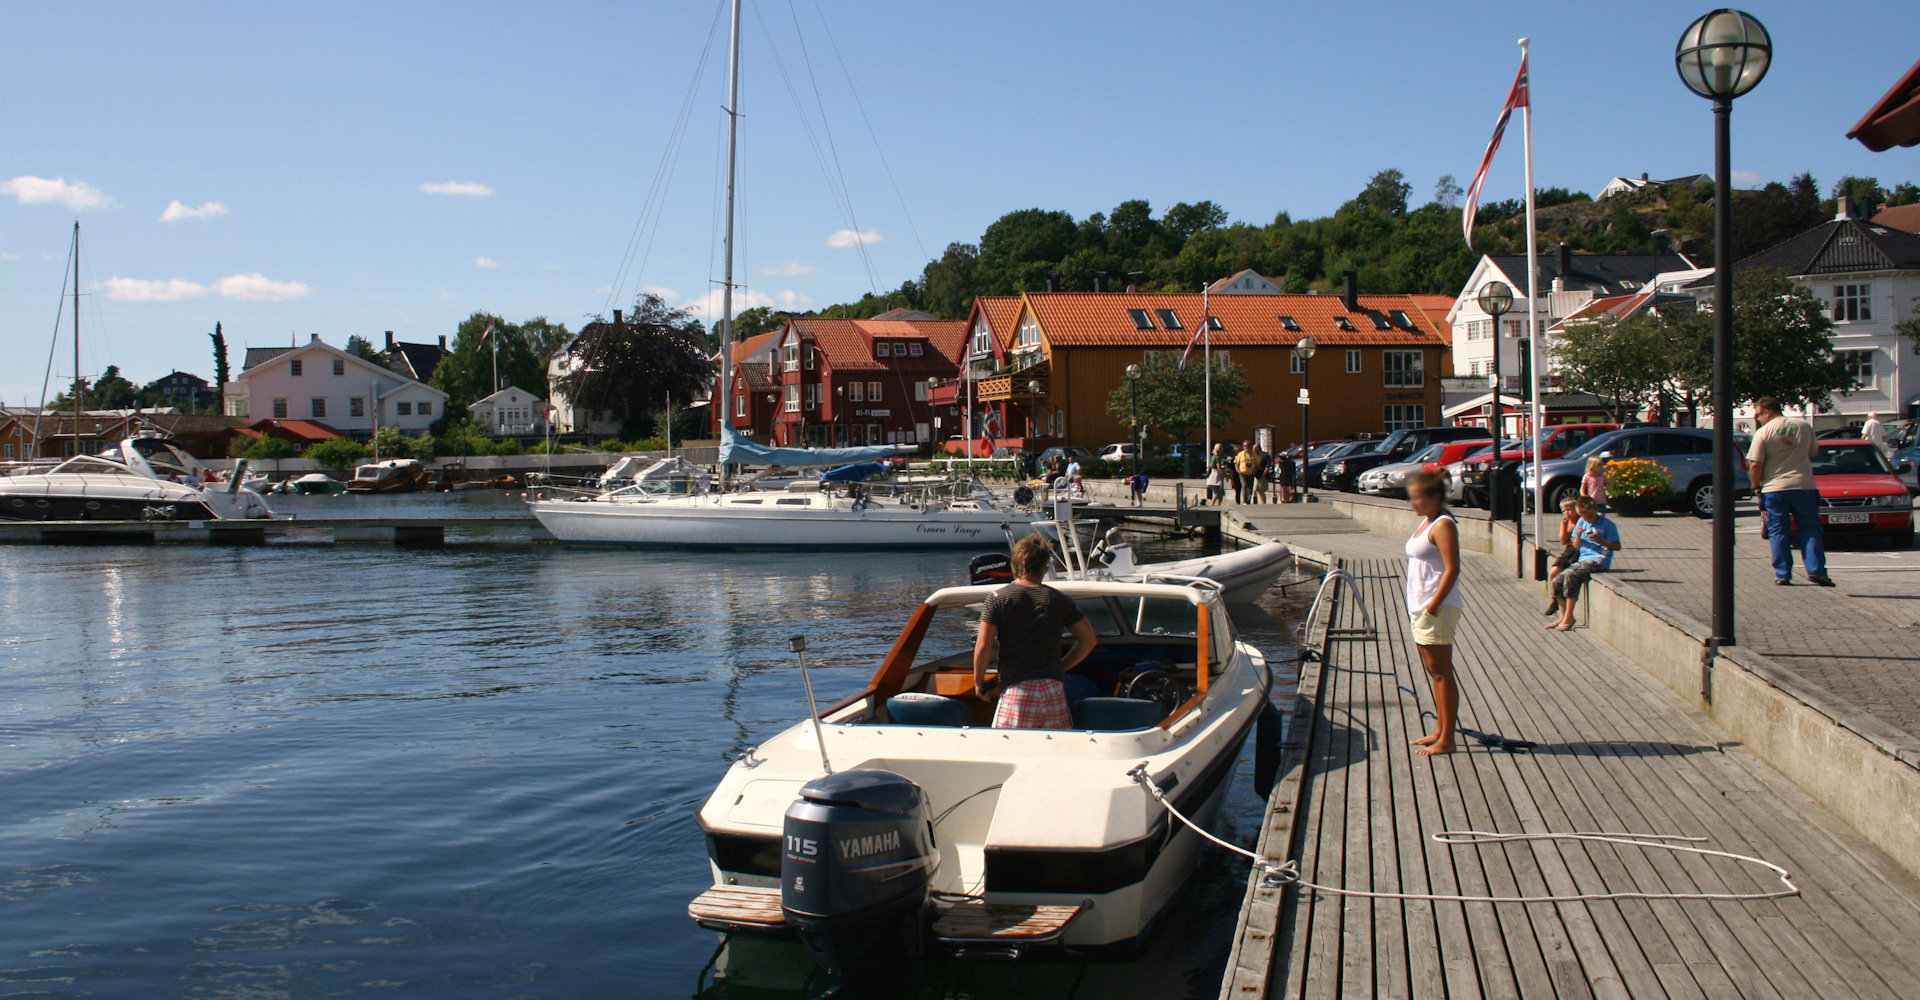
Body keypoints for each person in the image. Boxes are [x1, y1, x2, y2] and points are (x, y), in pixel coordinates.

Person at [973, 533, 1098, 729]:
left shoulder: (998, 598)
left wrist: (979, 682)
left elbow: (983, 646)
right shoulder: (1060, 600)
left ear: (1015, 566)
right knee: (1054, 749)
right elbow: (1088, 640)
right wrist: (1061, 667)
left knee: (1010, 748)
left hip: (1017, 691)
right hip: (1053, 691)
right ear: (1044, 567)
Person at [1405, 471, 1465, 756]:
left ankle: (1448, 740)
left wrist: (1432, 605)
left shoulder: (1443, 525)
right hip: (1421, 607)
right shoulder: (1427, 522)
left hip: (1437, 608)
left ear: (1435, 498)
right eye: (1412, 496)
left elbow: (1452, 568)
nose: (1413, 502)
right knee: (1433, 671)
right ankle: (1439, 730)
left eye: (1418, 497)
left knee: (1442, 673)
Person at [1747, 396, 1830, 587]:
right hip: (1804, 485)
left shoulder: (1763, 432)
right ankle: (1816, 570)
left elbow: (1755, 464)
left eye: (1758, 414)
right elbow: (1814, 451)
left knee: (1778, 530)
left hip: (1775, 488)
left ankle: (1783, 574)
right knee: (1810, 528)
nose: (1757, 418)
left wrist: (1756, 487)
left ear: (1767, 412)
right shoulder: (1803, 425)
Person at [1548, 496, 1621, 630]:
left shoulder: (1607, 524)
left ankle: (1569, 616)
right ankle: (1563, 616)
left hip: (1598, 559)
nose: (1588, 519)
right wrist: (1579, 537)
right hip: (1583, 558)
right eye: (1585, 516)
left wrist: (1599, 540)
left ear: (1595, 511)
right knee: (1557, 580)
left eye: (1590, 516)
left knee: (1571, 576)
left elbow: (1616, 546)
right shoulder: (1581, 521)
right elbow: (1576, 546)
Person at [1543, 496, 1583, 615]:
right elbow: (1563, 540)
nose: (1567, 513)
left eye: (1569, 510)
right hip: (1569, 549)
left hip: (1576, 549)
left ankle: (1556, 600)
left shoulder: (1581, 521)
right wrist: (1564, 525)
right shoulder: (1567, 522)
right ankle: (1555, 599)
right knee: (1553, 574)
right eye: (1564, 511)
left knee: (1555, 573)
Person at [1234, 441, 1258, 505]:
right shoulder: (1240, 454)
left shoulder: (1254, 454)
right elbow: (1236, 463)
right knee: (1244, 486)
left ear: (1251, 446)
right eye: (1245, 446)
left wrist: (1255, 472)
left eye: (1248, 446)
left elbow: (1257, 464)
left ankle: (1248, 501)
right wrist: (1238, 471)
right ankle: (1244, 501)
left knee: (1250, 487)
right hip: (1242, 473)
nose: (1246, 447)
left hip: (1251, 473)